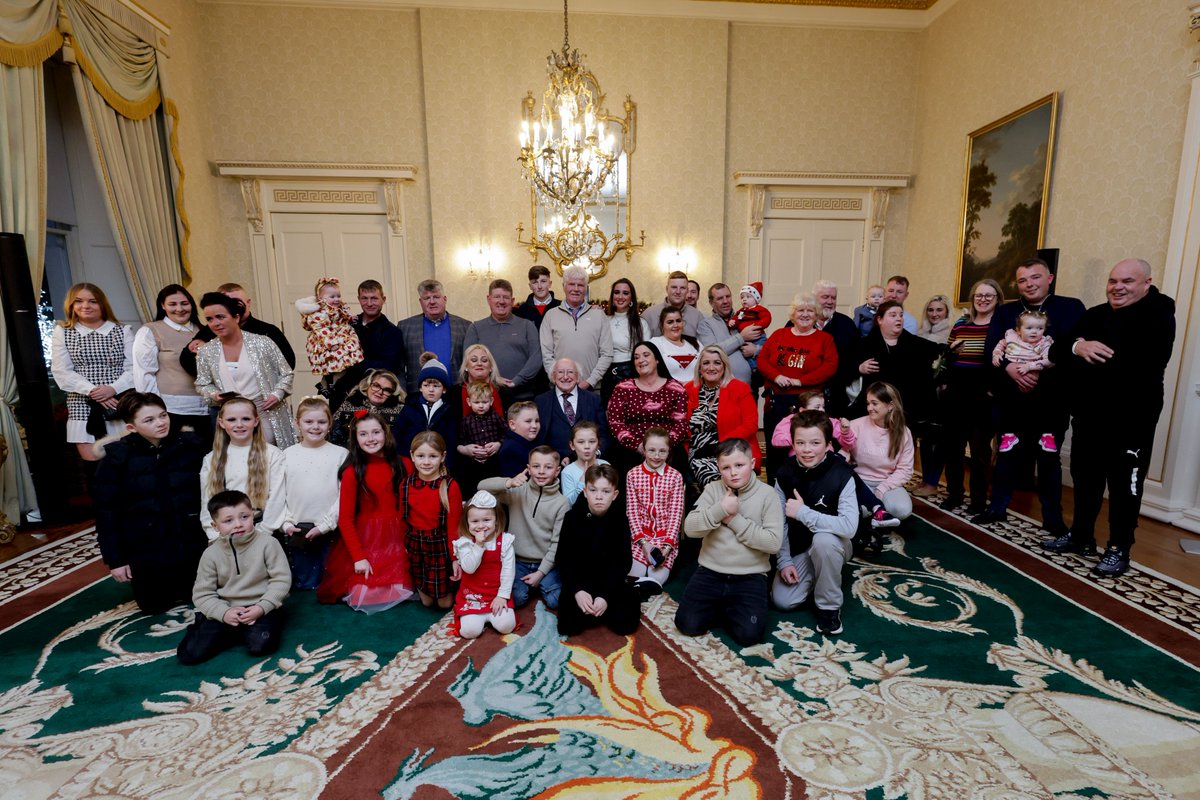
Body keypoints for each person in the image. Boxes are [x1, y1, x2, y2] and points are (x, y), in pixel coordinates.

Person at [1042, 259, 1176, 577]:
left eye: (1127, 281)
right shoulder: (1095, 314)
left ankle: (1119, 548)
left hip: (1132, 420)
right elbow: (1055, 350)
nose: (1117, 287)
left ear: (1147, 282)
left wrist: (1087, 361)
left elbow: (1139, 364)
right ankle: (1081, 537)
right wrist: (1078, 346)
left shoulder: (1159, 315)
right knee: (1085, 478)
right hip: (1089, 416)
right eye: (1113, 280)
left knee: (1123, 486)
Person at [974, 258, 1085, 530]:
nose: (1029, 284)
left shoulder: (1071, 308)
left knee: (1048, 458)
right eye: (1022, 280)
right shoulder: (1005, 312)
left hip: (1051, 401)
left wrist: (1035, 374)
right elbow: (992, 349)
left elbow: (1073, 350)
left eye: (1035, 277)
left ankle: (1053, 518)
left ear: (1050, 278)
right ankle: (997, 507)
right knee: (1006, 453)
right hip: (1010, 399)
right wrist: (1011, 369)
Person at [92, 392, 207, 614]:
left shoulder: (191, 446)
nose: (161, 423)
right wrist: (116, 561)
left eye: (163, 415)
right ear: (132, 427)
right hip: (146, 548)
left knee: (201, 595)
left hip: (191, 541)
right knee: (154, 606)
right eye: (149, 420)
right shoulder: (117, 458)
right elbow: (106, 513)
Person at [675, 438, 784, 647]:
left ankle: (728, 607)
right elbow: (690, 529)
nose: (733, 472)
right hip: (710, 571)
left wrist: (733, 520)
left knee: (749, 636)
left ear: (753, 463)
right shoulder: (713, 490)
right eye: (726, 467)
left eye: (739, 465)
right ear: (719, 469)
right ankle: (723, 606)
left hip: (749, 576)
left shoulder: (767, 494)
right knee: (687, 624)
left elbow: (773, 543)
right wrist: (720, 510)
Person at [177, 490, 291, 665]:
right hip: (227, 608)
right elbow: (202, 594)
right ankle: (220, 627)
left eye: (244, 517)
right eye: (228, 521)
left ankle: (252, 627)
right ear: (215, 526)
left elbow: (281, 581)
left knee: (261, 646)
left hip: (260, 606)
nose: (238, 524)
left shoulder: (269, 544)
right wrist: (223, 613)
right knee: (189, 654)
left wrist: (262, 607)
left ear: (253, 515)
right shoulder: (211, 554)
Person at [772, 410, 860, 636]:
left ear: (828, 444)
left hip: (835, 544)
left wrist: (803, 513)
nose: (807, 449)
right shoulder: (784, 473)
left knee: (823, 542)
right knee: (783, 601)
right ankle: (820, 576)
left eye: (815, 443)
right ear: (792, 442)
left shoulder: (842, 474)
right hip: (799, 546)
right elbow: (778, 522)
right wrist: (784, 561)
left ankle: (828, 607)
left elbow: (849, 527)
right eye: (800, 442)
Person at [317, 410, 413, 612]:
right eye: (363, 434)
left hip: (399, 535)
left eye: (376, 432)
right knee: (367, 594)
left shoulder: (404, 464)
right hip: (367, 537)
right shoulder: (353, 472)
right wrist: (359, 557)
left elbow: (411, 506)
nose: (371, 439)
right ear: (355, 438)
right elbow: (345, 519)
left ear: (386, 433)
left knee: (405, 587)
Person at [194, 292, 297, 448]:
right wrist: (215, 394)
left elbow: (286, 374)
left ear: (236, 317)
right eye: (209, 319)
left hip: (265, 411)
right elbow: (202, 384)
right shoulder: (206, 351)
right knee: (237, 460)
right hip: (232, 417)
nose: (215, 323)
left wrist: (277, 394)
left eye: (220, 317)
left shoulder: (262, 343)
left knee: (268, 456)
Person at [51, 283, 134, 464]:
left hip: (118, 402)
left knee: (125, 460)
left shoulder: (123, 331)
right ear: (71, 305)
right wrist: (94, 392)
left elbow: (135, 368)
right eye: (79, 301)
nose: (85, 306)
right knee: (93, 464)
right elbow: (61, 371)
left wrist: (112, 389)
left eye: (93, 301)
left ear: (102, 304)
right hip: (81, 404)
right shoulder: (63, 332)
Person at [759, 294, 839, 482]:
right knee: (777, 446)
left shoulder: (825, 339)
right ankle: (775, 488)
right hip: (777, 400)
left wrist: (800, 382)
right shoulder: (779, 334)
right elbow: (762, 360)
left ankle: (808, 487)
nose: (805, 314)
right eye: (800, 310)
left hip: (810, 402)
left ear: (816, 314)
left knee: (807, 446)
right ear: (792, 315)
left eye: (810, 310)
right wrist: (776, 376)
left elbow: (830, 367)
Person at [479, 445, 570, 609]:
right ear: (528, 469)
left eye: (548, 467)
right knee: (517, 599)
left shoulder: (561, 503)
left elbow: (557, 544)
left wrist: (541, 572)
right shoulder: (517, 491)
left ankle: (540, 581)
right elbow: (482, 486)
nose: (541, 471)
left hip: (547, 563)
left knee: (556, 601)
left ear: (557, 471)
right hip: (517, 561)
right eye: (536, 466)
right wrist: (508, 482)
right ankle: (533, 586)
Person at [938, 279, 1002, 513]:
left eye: (989, 296)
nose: (983, 299)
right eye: (978, 295)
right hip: (956, 393)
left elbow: (1005, 360)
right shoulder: (961, 324)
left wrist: (992, 389)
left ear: (997, 299)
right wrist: (951, 358)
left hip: (982, 396)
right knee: (953, 448)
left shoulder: (1000, 327)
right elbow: (947, 357)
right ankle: (954, 494)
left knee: (979, 452)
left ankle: (977, 500)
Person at [557, 464, 641, 637]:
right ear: (585, 492)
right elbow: (564, 558)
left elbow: (623, 562)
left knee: (626, 625)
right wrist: (578, 590)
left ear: (614, 495)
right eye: (593, 490)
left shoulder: (620, 520)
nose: (599, 497)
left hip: (609, 582)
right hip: (581, 581)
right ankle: (591, 610)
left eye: (605, 491)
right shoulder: (571, 518)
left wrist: (604, 596)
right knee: (567, 627)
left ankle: (636, 590)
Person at [280, 397, 348, 590]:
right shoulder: (286, 455)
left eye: (321, 422)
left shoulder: (341, 454)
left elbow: (344, 495)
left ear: (330, 424)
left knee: (332, 584)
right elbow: (277, 494)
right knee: (305, 584)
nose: (315, 427)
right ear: (297, 424)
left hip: (330, 529)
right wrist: (285, 523)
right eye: (308, 422)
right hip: (297, 530)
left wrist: (326, 525)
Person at [200, 395, 287, 542]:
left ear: (256, 421)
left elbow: (277, 499)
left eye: (246, 419)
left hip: (263, 533)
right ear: (221, 422)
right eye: (231, 420)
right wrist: (215, 536)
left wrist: (262, 534)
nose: (239, 425)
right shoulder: (211, 459)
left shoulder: (273, 455)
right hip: (225, 536)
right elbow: (207, 501)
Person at [132, 284, 208, 439]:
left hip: (207, 407)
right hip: (172, 410)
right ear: (163, 306)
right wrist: (153, 409)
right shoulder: (151, 330)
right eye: (172, 304)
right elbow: (144, 373)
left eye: (184, 303)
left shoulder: (204, 330)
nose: (179, 309)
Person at [847, 300, 939, 428]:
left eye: (901, 315)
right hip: (874, 408)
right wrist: (859, 368)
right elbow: (845, 368)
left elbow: (938, 351)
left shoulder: (915, 344)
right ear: (880, 319)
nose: (899, 319)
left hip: (906, 409)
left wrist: (952, 349)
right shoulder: (864, 344)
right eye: (893, 315)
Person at [606, 341, 690, 474]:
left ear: (657, 359)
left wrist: (662, 448)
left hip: (668, 448)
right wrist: (637, 446)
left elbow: (681, 425)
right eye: (636, 357)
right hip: (630, 449)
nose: (641, 360)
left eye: (646, 355)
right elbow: (616, 423)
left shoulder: (675, 388)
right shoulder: (623, 388)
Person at [181, 282, 295, 376]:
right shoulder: (210, 330)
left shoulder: (268, 331)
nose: (233, 307)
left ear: (248, 303)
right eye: (226, 303)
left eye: (237, 302)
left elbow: (288, 363)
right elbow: (186, 359)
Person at [686, 345, 760, 488]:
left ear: (724, 366)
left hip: (732, 450)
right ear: (699, 367)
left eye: (717, 363)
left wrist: (719, 445)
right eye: (706, 363)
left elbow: (750, 425)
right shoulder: (689, 389)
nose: (711, 368)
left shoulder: (739, 388)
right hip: (699, 452)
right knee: (714, 481)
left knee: (728, 479)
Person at [404, 431, 462, 609]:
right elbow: (402, 519)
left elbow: (454, 527)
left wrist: (455, 558)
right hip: (415, 544)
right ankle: (424, 590)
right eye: (421, 456)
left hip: (440, 546)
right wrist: (404, 546)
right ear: (412, 456)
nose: (426, 462)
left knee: (444, 604)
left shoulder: (450, 486)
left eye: (433, 456)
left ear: (442, 456)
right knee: (427, 603)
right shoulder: (406, 484)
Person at [842, 382, 914, 523]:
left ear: (890, 405)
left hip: (887, 483)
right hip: (859, 481)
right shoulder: (856, 425)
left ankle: (875, 512)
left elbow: (905, 469)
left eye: (874, 403)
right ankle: (872, 513)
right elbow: (844, 454)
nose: (869, 408)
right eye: (868, 403)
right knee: (856, 510)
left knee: (902, 510)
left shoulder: (904, 433)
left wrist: (882, 489)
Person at [625, 428, 684, 599]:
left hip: (664, 538)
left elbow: (676, 514)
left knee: (655, 577)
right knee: (634, 573)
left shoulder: (675, 477)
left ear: (668, 452)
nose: (656, 456)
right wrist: (643, 543)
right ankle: (638, 584)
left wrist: (666, 548)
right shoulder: (633, 474)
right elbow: (632, 511)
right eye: (651, 450)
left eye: (662, 451)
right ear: (643, 449)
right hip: (640, 538)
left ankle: (643, 584)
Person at [465, 279, 543, 403]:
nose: (501, 301)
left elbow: (537, 357)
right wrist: (494, 378)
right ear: (488, 299)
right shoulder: (475, 328)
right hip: (485, 399)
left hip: (523, 397)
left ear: (512, 301)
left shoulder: (527, 325)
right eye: (497, 297)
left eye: (506, 297)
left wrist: (517, 380)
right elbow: (469, 361)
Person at [453, 490, 517, 639]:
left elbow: (508, 571)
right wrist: (478, 545)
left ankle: (493, 616)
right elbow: (469, 568)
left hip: (496, 595)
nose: (481, 526)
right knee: (469, 632)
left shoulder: (505, 541)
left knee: (507, 626)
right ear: (467, 523)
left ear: (496, 520)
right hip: (472, 597)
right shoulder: (465, 543)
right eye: (475, 521)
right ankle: (478, 618)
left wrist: (502, 596)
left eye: (487, 520)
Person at [539, 266, 613, 392]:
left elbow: (607, 354)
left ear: (586, 288)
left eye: (580, 285)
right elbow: (546, 355)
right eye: (571, 284)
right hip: (559, 388)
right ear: (564, 286)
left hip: (592, 390)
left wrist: (590, 381)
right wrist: (559, 380)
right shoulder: (551, 316)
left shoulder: (599, 315)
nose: (576, 289)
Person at [991, 311, 1055, 454]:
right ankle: (1009, 436)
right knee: (1010, 408)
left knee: (1041, 409)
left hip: (1033, 380)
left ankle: (1047, 436)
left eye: (1040, 328)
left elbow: (1050, 361)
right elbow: (1000, 344)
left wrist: (1030, 366)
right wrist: (996, 354)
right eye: (1029, 328)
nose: (1035, 332)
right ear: (1018, 330)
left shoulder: (1044, 343)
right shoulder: (1011, 336)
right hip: (1012, 381)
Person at [398, 279, 471, 395]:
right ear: (420, 301)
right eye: (427, 298)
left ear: (445, 299)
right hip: (418, 394)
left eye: (436, 297)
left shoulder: (465, 326)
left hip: (456, 392)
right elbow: (399, 366)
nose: (432, 302)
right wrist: (402, 392)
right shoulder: (405, 326)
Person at [295, 276, 364, 391]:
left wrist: (350, 318)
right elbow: (322, 330)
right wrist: (331, 343)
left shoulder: (335, 307)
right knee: (337, 363)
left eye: (338, 296)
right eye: (332, 297)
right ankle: (333, 384)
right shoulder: (319, 313)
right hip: (326, 341)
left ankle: (328, 383)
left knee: (344, 363)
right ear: (320, 298)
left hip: (338, 334)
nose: (336, 299)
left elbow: (340, 318)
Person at [534, 358, 609, 460]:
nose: (565, 377)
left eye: (570, 372)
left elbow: (604, 434)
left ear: (578, 377)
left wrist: (596, 454)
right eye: (560, 372)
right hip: (552, 463)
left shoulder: (594, 399)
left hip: (589, 462)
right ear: (553, 376)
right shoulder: (541, 401)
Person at [393, 354, 457, 458]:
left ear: (444, 389)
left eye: (436, 386)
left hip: (438, 461)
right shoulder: (409, 408)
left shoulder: (449, 410)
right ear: (420, 388)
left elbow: (451, 440)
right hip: (410, 459)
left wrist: (447, 465)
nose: (431, 390)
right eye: (426, 385)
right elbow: (398, 435)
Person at [697, 283, 760, 387]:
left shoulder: (747, 318)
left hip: (750, 388)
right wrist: (741, 337)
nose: (725, 301)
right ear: (711, 303)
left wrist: (756, 350)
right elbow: (713, 352)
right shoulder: (705, 325)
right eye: (720, 298)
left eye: (728, 296)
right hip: (722, 390)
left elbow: (766, 347)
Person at [812, 280, 859, 414]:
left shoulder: (847, 324)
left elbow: (855, 357)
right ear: (814, 299)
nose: (830, 301)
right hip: (806, 391)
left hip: (838, 390)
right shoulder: (801, 321)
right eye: (825, 297)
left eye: (833, 297)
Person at [602, 277, 650, 400]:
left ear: (631, 298)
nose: (620, 296)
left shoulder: (640, 323)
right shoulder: (603, 320)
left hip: (631, 374)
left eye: (625, 293)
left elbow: (646, 355)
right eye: (616, 292)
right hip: (607, 375)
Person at [456, 380, 506, 495]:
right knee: (475, 488)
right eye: (477, 402)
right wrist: (469, 450)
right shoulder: (466, 421)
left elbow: (506, 433)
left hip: (494, 461)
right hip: (474, 463)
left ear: (491, 401)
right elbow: (463, 440)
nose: (481, 406)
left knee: (495, 489)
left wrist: (499, 444)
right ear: (469, 402)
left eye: (484, 402)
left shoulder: (495, 417)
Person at [331, 369, 404, 446]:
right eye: (376, 386)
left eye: (387, 390)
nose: (380, 392)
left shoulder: (400, 410)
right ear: (367, 385)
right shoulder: (351, 403)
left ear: (393, 393)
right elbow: (332, 429)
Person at [770, 390, 853, 458]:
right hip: (799, 460)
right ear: (802, 410)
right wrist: (799, 437)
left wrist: (845, 432)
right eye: (817, 407)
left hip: (825, 460)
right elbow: (776, 440)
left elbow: (849, 444)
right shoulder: (791, 420)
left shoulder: (828, 420)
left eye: (823, 407)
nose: (822, 410)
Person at [560, 420, 608, 505]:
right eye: (581, 442)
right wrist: (582, 483)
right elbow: (569, 504)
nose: (587, 446)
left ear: (598, 445)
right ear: (572, 445)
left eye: (592, 441)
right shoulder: (568, 472)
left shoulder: (606, 465)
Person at [642, 270, 704, 338]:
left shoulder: (697, 316)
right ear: (666, 289)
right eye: (674, 287)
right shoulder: (649, 315)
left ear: (687, 290)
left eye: (682, 288)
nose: (678, 292)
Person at [650, 306, 700, 383]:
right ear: (662, 325)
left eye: (678, 321)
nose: (675, 325)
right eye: (670, 322)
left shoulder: (695, 342)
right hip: (670, 392)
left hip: (697, 390)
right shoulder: (655, 343)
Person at [456, 343, 505, 416]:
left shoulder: (504, 391)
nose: (479, 363)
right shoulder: (454, 393)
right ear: (466, 366)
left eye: (484, 360)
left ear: (491, 367)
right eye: (474, 360)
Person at [732, 282, 771, 369]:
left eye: (748, 297)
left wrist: (756, 326)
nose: (744, 299)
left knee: (761, 353)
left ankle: (759, 368)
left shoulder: (759, 309)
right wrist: (732, 322)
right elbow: (737, 319)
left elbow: (767, 318)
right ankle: (753, 368)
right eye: (742, 297)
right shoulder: (741, 312)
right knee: (746, 354)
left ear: (756, 299)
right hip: (745, 337)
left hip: (758, 336)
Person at [498, 401, 542, 477]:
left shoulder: (535, 442)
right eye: (528, 421)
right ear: (512, 424)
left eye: (537, 421)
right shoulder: (510, 450)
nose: (534, 425)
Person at [514, 264, 561, 329]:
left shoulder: (561, 307)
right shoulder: (522, 310)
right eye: (535, 282)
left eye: (543, 281)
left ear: (550, 284)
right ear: (530, 286)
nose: (539, 286)